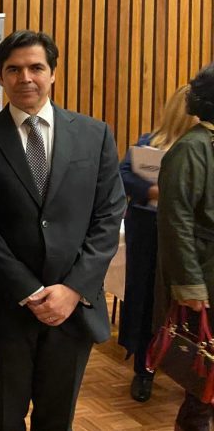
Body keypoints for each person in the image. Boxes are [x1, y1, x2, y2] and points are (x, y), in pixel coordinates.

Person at [0, 30, 125, 430]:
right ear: (0, 77)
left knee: (57, 418)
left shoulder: (94, 134)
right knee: (3, 416)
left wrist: (72, 289)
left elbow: (108, 214)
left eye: (36, 67)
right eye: (13, 69)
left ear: (52, 74)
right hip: (6, 306)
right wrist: (27, 290)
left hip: (74, 309)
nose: (26, 78)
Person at [118, 84, 198, 403]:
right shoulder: (148, 143)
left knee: (190, 305)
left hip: (190, 238)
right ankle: (144, 369)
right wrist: (153, 192)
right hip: (149, 234)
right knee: (146, 303)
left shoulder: (204, 148)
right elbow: (124, 175)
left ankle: (194, 373)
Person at [154, 63, 214, 431]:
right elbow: (175, 222)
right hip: (205, 279)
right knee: (203, 382)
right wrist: (190, 286)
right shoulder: (191, 149)